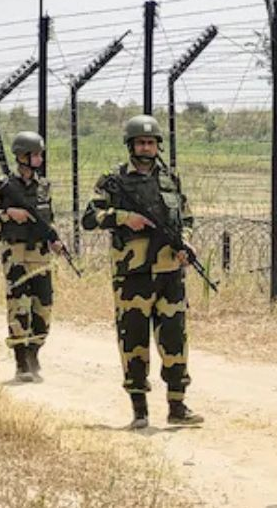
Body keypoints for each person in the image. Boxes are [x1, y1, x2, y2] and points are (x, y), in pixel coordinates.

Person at [81, 115, 203, 429]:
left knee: (175, 339)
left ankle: (177, 406)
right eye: (140, 143)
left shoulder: (170, 179)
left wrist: (185, 242)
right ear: (131, 146)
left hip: (170, 273)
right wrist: (124, 218)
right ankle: (139, 410)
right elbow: (90, 218)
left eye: (150, 143)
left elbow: (186, 218)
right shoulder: (113, 180)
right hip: (132, 274)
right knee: (133, 341)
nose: (146, 148)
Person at [0, 131, 59, 382]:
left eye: (40, 154)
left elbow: (49, 219)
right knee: (19, 306)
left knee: (43, 306)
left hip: (41, 255)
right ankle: (21, 360)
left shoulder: (44, 186)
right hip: (15, 254)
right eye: (35, 154)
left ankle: (34, 350)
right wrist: (8, 214)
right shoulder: (3, 185)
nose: (39, 159)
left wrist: (55, 239)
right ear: (22, 156)